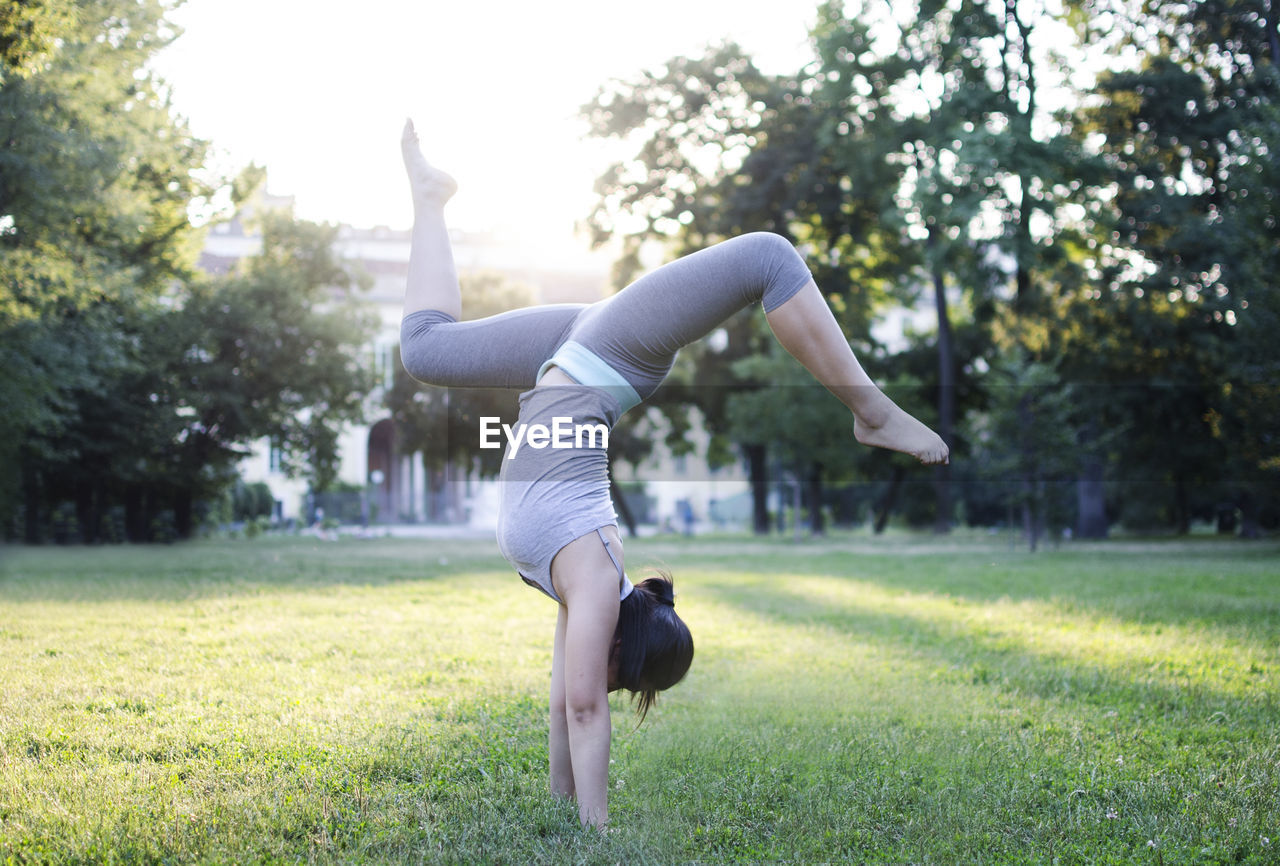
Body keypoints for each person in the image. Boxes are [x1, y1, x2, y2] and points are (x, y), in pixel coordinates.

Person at [396, 119, 948, 828]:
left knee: (425, 349)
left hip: (569, 355)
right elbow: (589, 706)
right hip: (614, 352)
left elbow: (568, 701)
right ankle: (870, 412)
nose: (604, 679)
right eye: (621, 673)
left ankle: (431, 198)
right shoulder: (594, 574)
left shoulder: (576, 589)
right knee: (768, 258)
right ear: (624, 641)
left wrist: (564, 809)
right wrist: (598, 839)